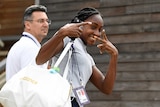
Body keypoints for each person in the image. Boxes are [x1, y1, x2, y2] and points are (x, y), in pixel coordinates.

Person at [36, 7, 118, 107]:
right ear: (79, 24)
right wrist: (61, 33)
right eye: (93, 27)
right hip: (60, 100)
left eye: (100, 29)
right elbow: (39, 59)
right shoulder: (67, 40)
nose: (97, 33)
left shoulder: (88, 58)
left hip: (77, 102)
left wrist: (114, 56)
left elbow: (106, 88)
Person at [5, 5, 51, 81]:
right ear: (27, 25)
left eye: (47, 21)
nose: (46, 25)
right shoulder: (29, 47)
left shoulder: (24, 44)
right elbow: (32, 82)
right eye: (41, 21)